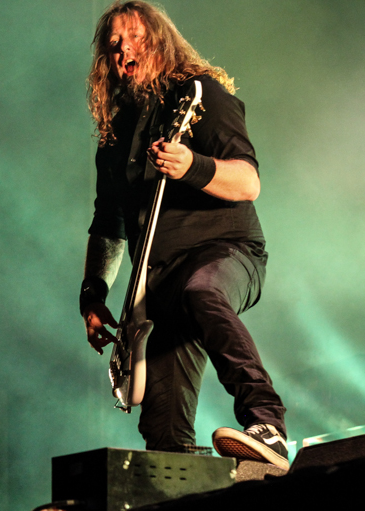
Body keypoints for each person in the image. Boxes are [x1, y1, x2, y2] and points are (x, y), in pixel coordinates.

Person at [79, 1, 289, 469]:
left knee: (202, 290)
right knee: (162, 433)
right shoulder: (114, 134)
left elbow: (248, 182)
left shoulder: (201, 95)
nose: (124, 50)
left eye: (135, 37)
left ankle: (267, 424)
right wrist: (92, 294)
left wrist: (193, 166)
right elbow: (109, 224)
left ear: (160, 41)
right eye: (114, 44)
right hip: (159, 285)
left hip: (226, 252)